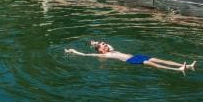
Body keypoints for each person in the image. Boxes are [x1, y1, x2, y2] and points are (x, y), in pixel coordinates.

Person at [65, 41, 195, 72]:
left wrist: (95, 42)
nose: (105, 45)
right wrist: (73, 51)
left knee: (160, 59)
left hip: (136, 55)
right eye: (103, 45)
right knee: (154, 64)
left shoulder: (111, 50)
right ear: (101, 51)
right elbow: (85, 54)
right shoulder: (106, 56)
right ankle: (177, 70)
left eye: (104, 44)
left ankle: (186, 65)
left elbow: (107, 44)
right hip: (131, 60)